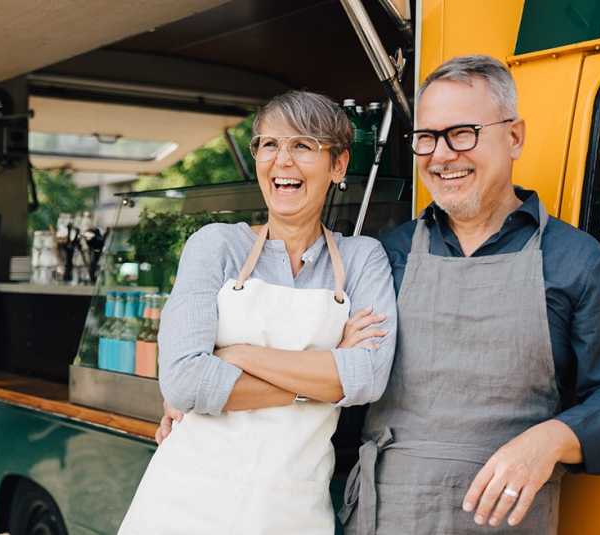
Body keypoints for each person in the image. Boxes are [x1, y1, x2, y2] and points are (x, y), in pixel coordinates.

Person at [340, 55, 600, 534]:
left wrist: (551, 440)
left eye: (462, 133)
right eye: (427, 138)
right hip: (389, 515)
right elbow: (320, 364)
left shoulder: (578, 260)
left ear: (514, 137)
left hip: (509, 522)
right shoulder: (384, 255)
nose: (442, 155)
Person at [117, 90, 398, 535]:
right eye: (269, 144)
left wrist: (237, 355)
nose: (282, 161)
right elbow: (185, 381)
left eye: (303, 146)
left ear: (338, 165)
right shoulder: (216, 245)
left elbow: (366, 378)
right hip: (185, 502)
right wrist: (323, 382)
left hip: (293, 508)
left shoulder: (363, 259)